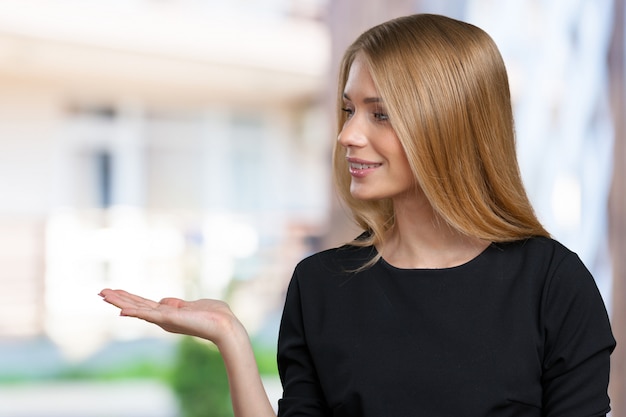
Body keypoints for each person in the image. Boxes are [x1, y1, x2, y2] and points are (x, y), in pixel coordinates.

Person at [100, 13, 615, 417]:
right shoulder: (321, 285)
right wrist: (230, 336)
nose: (348, 134)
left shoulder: (552, 284)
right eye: (349, 109)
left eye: (381, 113)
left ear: (449, 124)